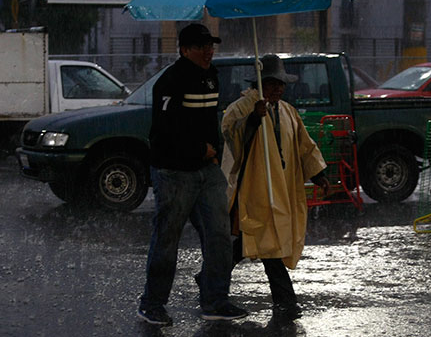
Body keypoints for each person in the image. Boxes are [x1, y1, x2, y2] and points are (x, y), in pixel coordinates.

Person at [137, 23, 247, 326]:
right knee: (167, 239)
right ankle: (152, 304)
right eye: (202, 46)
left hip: (206, 171)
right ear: (185, 50)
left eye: (211, 45)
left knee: (219, 236)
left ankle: (215, 300)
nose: (209, 51)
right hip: (173, 173)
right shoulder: (170, 82)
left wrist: (212, 155)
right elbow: (165, 130)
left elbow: (210, 120)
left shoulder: (211, 77)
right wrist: (200, 150)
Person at [220, 54, 330, 319]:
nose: (278, 89)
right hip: (255, 188)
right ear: (260, 83)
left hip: (280, 187)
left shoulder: (288, 111)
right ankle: (286, 300)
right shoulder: (241, 108)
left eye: (281, 84)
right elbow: (230, 137)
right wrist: (252, 120)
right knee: (267, 241)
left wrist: (318, 174)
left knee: (256, 238)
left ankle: (211, 276)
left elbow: (304, 145)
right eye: (272, 83)